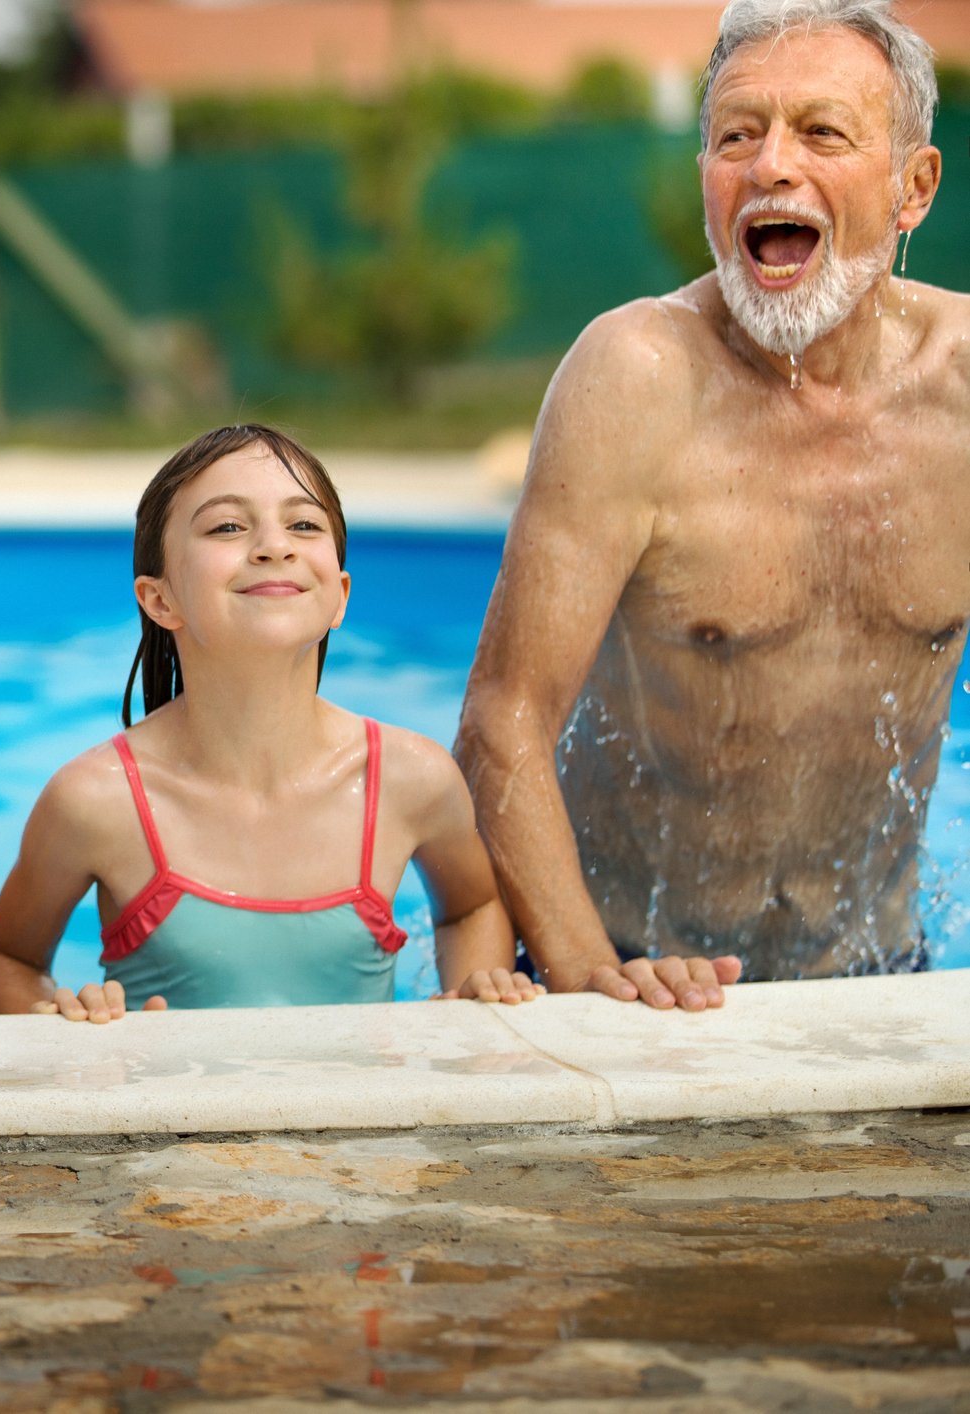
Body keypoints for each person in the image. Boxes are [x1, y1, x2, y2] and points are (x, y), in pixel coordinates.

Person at [456, 0, 963, 1009]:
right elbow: (502, 720)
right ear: (706, 178)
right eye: (738, 135)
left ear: (913, 187)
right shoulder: (635, 380)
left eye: (821, 132)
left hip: (874, 977)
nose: (771, 165)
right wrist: (591, 974)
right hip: (630, 967)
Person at [0, 425, 533, 1020]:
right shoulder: (97, 801)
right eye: (228, 527)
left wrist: (475, 995)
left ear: (339, 596)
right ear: (160, 600)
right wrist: (59, 1019)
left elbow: (469, 908)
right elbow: (8, 961)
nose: (274, 546)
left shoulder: (410, 779)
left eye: (304, 525)